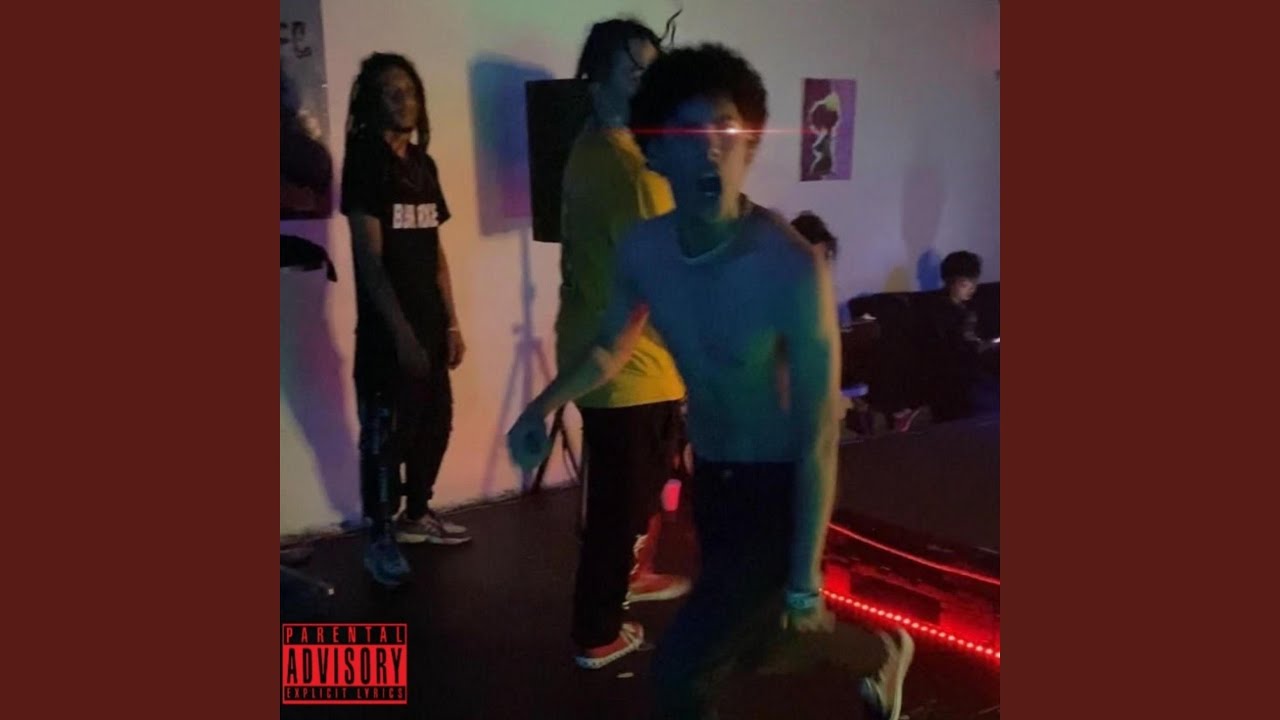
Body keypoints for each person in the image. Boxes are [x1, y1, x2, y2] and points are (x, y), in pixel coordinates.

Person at [509, 43, 912, 720]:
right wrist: (540, 407)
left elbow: (818, 430)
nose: (710, 148)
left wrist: (805, 573)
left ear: (749, 143)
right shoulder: (645, 251)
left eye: (725, 127)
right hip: (714, 483)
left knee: (681, 673)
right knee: (758, 645)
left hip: (779, 489)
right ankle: (879, 655)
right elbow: (609, 348)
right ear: (655, 154)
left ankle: (869, 650)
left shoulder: (789, 267)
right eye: (686, 132)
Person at [555, 17, 692, 669]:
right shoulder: (633, 173)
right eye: (635, 71)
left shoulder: (589, 146)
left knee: (636, 491)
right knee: (621, 505)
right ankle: (597, 633)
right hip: (630, 365)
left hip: (607, 352)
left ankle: (632, 575)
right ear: (597, 77)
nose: (648, 83)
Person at [341, 52, 471, 588]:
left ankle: (416, 517)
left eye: (410, 91)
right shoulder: (364, 164)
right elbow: (370, 262)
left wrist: (452, 323)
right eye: (392, 92)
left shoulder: (423, 165)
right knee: (384, 439)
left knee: (434, 425)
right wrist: (400, 335)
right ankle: (380, 537)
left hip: (430, 324)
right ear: (373, 102)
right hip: (386, 333)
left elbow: (436, 252)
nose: (404, 100)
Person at [921, 250, 997, 422]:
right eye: (965, 284)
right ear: (950, 282)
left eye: (974, 283)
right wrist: (978, 347)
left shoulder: (968, 307)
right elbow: (950, 350)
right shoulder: (938, 312)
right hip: (954, 379)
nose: (972, 289)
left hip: (973, 371)